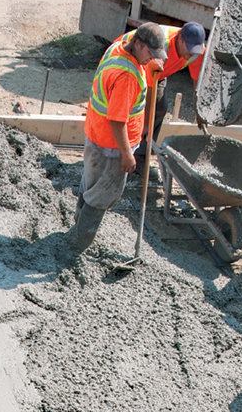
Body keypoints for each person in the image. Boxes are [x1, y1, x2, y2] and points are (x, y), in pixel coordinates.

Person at [71, 23, 167, 253]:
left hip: (95, 132)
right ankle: (78, 244)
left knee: (91, 183)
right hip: (112, 146)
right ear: (140, 45)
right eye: (150, 54)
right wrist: (127, 154)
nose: (151, 59)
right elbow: (117, 120)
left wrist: (151, 66)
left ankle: (76, 228)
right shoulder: (127, 77)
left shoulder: (118, 48)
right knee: (104, 193)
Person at [112, 22, 206, 177]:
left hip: (158, 72)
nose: (191, 55)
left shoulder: (196, 51)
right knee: (133, 112)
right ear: (180, 39)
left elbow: (197, 82)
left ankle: (141, 156)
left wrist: (199, 110)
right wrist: (147, 123)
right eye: (189, 50)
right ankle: (124, 153)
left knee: (160, 108)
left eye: (195, 51)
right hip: (130, 59)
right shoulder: (161, 47)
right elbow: (148, 90)